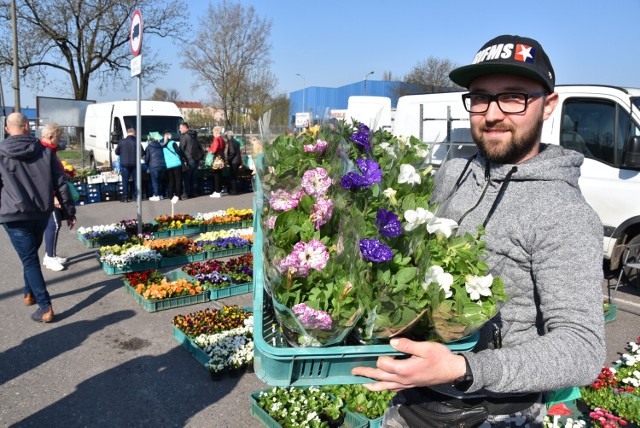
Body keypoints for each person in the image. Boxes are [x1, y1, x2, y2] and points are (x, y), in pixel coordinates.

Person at [352, 34, 606, 427]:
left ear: (548, 105)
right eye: (481, 97)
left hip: (494, 414)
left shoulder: (564, 212)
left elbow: (581, 348)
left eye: (513, 97)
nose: (491, 114)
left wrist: (464, 368)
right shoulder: (455, 173)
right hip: (409, 402)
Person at [0, 112, 77, 323]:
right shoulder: (44, 151)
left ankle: (45, 307)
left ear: (8, 129)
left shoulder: (1, 152)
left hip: (13, 215)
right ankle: (29, 292)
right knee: (30, 255)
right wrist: (69, 211)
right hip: (40, 212)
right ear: (27, 127)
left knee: (29, 259)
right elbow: (61, 183)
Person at [40, 123, 70, 271]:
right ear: (51, 137)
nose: (59, 141)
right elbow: (43, 177)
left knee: (55, 224)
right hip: (48, 195)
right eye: (58, 138)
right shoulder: (44, 151)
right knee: (54, 224)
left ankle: (50, 254)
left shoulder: (49, 150)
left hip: (51, 193)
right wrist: (53, 196)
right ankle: (50, 258)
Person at [115, 128, 143, 202]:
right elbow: (142, 153)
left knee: (125, 181)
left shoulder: (122, 142)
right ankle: (137, 197)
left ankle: (125, 197)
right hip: (135, 164)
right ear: (134, 133)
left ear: (127, 133)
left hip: (125, 164)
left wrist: (123, 153)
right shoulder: (137, 141)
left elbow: (116, 152)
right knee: (136, 181)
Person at [178, 121, 202, 199]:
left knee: (186, 177)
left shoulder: (184, 136)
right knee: (194, 176)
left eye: (181, 128)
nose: (179, 129)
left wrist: (181, 158)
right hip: (196, 158)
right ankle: (194, 192)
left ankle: (186, 194)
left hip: (189, 159)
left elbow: (181, 148)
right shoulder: (193, 135)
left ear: (185, 128)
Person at [162, 131, 185, 200]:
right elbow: (178, 152)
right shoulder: (173, 143)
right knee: (178, 180)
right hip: (176, 163)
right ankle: (178, 195)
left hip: (168, 165)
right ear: (170, 137)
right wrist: (182, 157)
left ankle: (170, 195)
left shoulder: (163, 145)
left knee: (171, 180)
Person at [144, 132, 167, 201]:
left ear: (150, 141)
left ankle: (156, 195)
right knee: (159, 181)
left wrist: (147, 164)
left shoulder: (149, 147)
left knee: (155, 181)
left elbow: (147, 158)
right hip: (163, 165)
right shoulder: (160, 146)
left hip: (154, 166)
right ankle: (161, 195)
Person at [208, 126, 226, 198]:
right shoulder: (221, 139)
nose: (212, 133)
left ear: (216, 131)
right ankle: (219, 190)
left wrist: (210, 150)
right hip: (221, 156)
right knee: (219, 173)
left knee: (216, 173)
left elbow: (214, 149)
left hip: (217, 157)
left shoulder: (216, 139)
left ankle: (217, 191)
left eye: (213, 131)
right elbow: (223, 147)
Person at [224, 130, 242, 195]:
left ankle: (234, 191)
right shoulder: (236, 141)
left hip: (234, 161)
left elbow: (232, 152)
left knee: (232, 176)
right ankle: (235, 190)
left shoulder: (231, 141)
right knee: (235, 176)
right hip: (238, 160)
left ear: (228, 136)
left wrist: (228, 159)